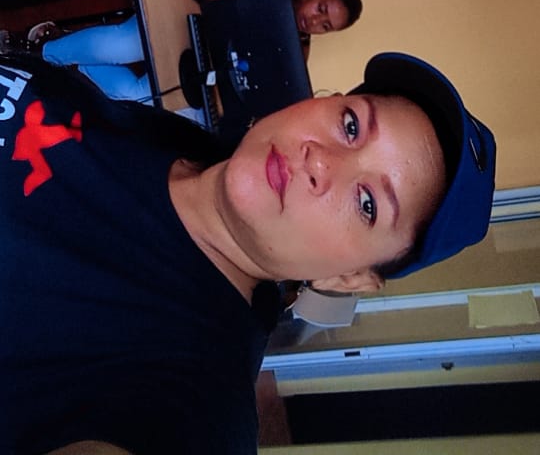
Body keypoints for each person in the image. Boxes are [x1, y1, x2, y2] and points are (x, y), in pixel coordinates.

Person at [1, 50, 496, 454]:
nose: (321, 161)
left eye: (367, 203)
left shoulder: (196, 402)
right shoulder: (178, 144)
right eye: (351, 126)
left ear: (349, 278)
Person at [0, 0, 362, 105]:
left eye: (325, 26)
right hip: (191, 17)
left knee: (139, 96)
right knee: (126, 47)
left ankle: (65, 57)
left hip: (199, 60)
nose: (315, 22)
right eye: (321, 9)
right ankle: (39, 52)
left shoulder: (298, 52)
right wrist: (216, 14)